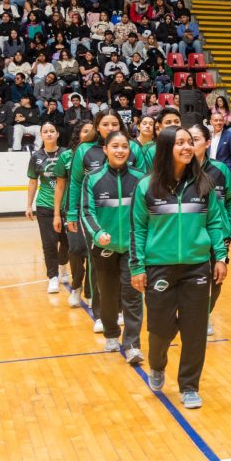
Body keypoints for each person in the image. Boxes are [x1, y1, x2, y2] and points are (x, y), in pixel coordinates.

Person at [129, 126, 228, 409]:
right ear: (166, 148)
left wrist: (220, 257)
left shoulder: (204, 183)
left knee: (194, 330)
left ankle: (189, 386)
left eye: (190, 142)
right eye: (180, 142)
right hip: (159, 267)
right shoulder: (146, 186)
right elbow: (138, 230)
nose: (187, 147)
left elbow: (215, 223)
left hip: (197, 266)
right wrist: (137, 267)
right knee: (159, 329)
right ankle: (157, 364)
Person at [81, 130, 146, 361]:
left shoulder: (140, 178)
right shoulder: (92, 179)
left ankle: (132, 345)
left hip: (132, 249)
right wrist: (98, 233)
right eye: (115, 146)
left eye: (124, 147)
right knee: (107, 295)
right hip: (104, 248)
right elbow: (86, 211)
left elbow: (146, 213)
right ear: (105, 150)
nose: (120, 150)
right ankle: (111, 333)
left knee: (133, 295)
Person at [188, 123, 231, 335]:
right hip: (191, 235)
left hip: (219, 234)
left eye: (195, 140)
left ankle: (203, 315)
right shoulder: (179, 170)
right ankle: (190, 316)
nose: (190, 144)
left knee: (216, 279)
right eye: (187, 140)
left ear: (207, 143)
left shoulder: (220, 170)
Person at [53, 121, 95, 308]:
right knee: (76, 249)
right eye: (85, 131)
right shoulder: (67, 156)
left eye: (92, 131)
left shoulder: (101, 153)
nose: (89, 134)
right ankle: (76, 286)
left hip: (94, 208)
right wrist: (57, 214)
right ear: (78, 134)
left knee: (93, 253)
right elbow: (60, 186)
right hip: (73, 209)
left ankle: (91, 292)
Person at [26, 122, 69, 293]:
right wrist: (28, 205)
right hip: (45, 206)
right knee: (49, 243)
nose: (49, 134)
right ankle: (53, 277)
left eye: (52, 131)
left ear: (58, 134)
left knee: (67, 242)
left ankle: (63, 266)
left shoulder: (66, 153)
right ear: (41, 135)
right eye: (45, 131)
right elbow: (33, 181)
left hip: (66, 206)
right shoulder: (36, 156)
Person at [209, 111, 231, 178]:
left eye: (221, 120)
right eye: (216, 120)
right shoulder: (208, 137)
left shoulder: (230, 136)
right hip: (210, 172)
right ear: (211, 122)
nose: (218, 122)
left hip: (224, 173)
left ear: (223, 122)